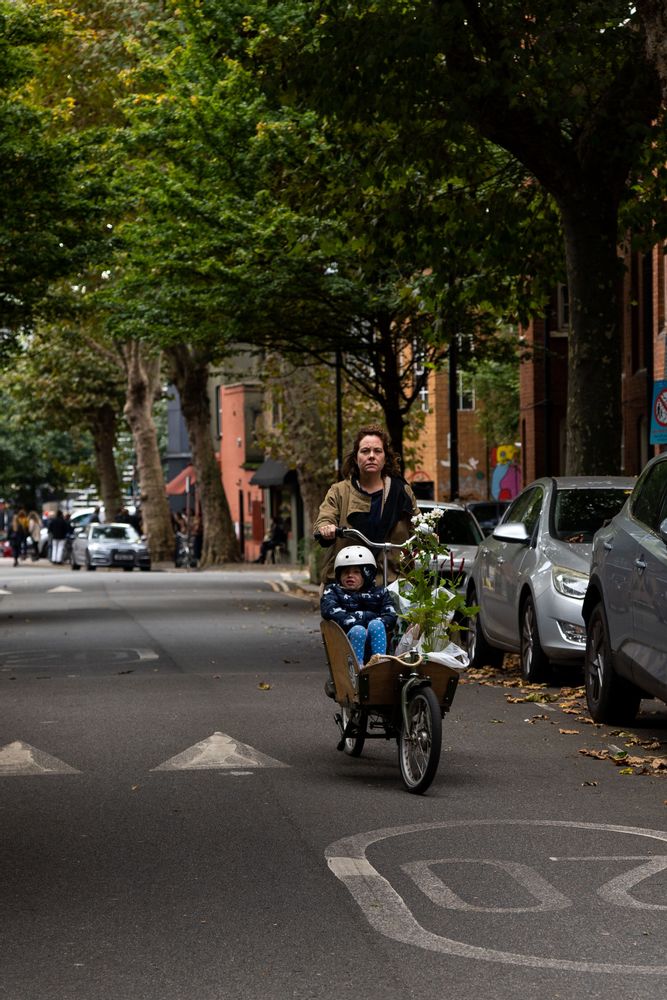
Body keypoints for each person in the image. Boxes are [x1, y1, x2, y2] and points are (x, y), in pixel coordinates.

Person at [313, 424, 418, 585]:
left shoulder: (402, 492)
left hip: (393, 582)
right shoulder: (339, 492)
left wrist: (427, 535)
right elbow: (325, 518)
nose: (371, 456)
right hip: (349, 584)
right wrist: (327, 528)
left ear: (385, 457)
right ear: (356, 458)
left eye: (377, 451)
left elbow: (419, 527)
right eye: (365, 451)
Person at [321, 545, 397, 666]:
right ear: (339, 575)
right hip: (347, 640)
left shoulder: (380, 592)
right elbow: (329, 609)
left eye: (356, 572)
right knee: (358, 631)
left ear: (367, 575)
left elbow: (391, 614)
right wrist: (360, 621)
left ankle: (379, 662)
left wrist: (375, 621)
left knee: (377, 624)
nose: (350, 575)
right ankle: (358, 667)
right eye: (346, 572)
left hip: (375, 637)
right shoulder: (334, 591)